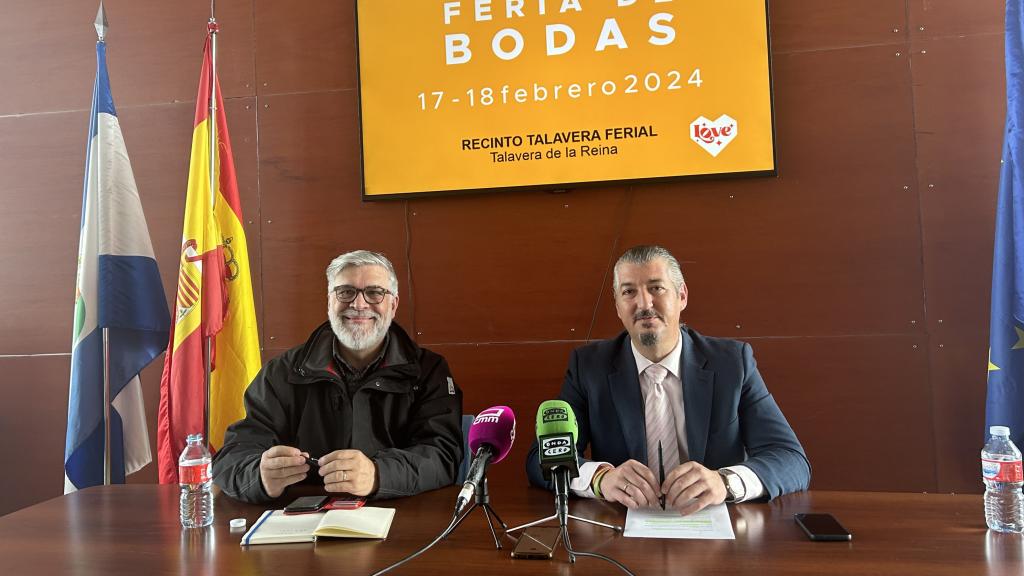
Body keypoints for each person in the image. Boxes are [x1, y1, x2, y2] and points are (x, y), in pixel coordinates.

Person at [526, 245, 810, 515]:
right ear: (617, 306)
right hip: (623, 530)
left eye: (656, 288)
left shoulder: (733, 363)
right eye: (629, 292)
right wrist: (601, 478)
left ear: (682, 295)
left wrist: (725, 483)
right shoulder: (589, 367)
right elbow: (542, 459)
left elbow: (790, 459)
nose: (643, 303)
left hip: (717, 532)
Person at [213, 250, 463, 503]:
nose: (358, 304)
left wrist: (378, 475)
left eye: (374, 292)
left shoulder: (428, 371)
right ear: (330, 301)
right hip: (301, 519)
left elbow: (443, 455)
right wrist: (259, 476)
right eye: (345, 292)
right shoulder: (282, 372)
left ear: (393, 304)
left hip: (401, 517)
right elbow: (232, 456)